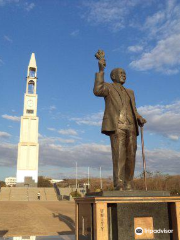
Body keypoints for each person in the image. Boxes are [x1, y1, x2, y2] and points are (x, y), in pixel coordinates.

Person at [93, 55, 146, 190]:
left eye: (125, 73)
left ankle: (129, 183)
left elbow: (133, 109)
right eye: (121, 73)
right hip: (117, 125)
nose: (124, 75)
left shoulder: (130, 92)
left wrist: (139, 117)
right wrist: (100, 70)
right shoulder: (108, 88)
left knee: (131, 155)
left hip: (131, 126)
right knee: (119, 155)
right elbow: (97, 90)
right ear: (113, 76)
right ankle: (119, 184)